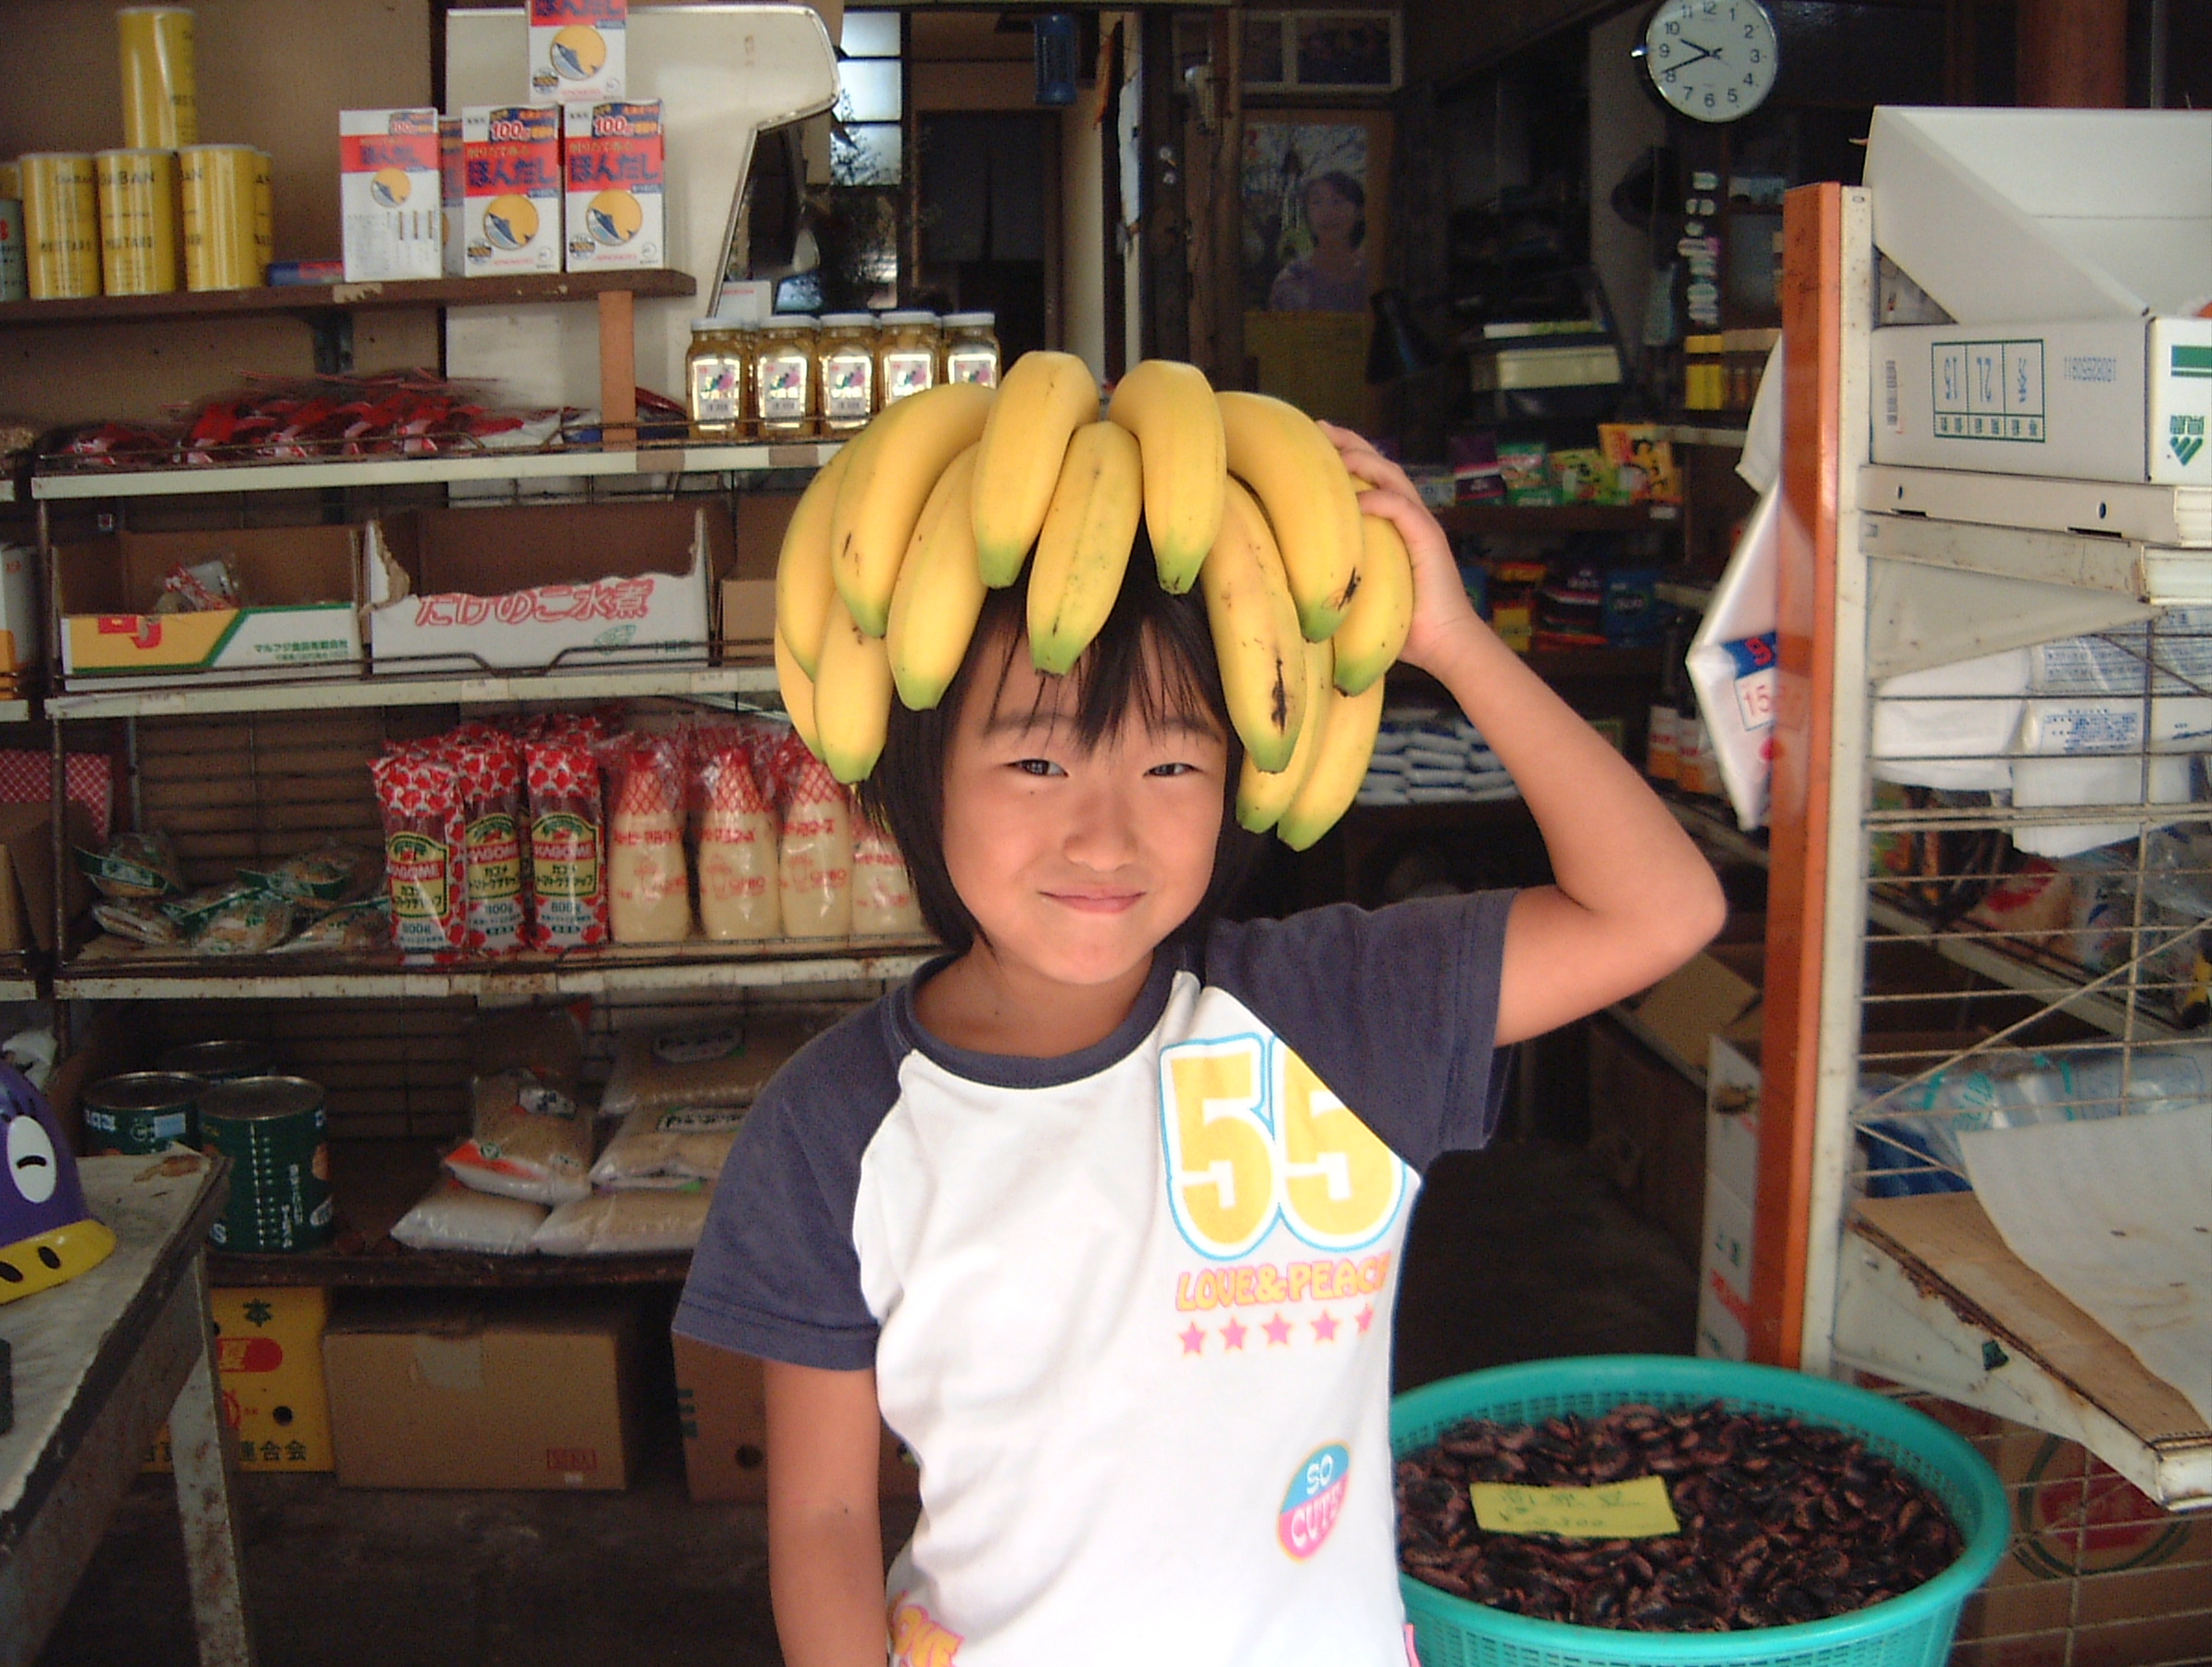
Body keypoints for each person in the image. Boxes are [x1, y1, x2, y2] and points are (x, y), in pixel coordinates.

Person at [672, 422, 1726, 1667]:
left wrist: (1452, 640)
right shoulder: (837, 1121)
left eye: (1173, 760)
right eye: (1035, 758)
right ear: (924, 776)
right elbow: (828, 1513)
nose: (1105, 833)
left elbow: (1665, 910)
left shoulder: (1331, 1014)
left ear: (1240, 774)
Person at [1267, 170, 1370, 313]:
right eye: (1317, 202)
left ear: (1359, 211)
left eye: (1337, 201)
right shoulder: (1293, 280)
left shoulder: (1373, 273)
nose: (1327, 212)